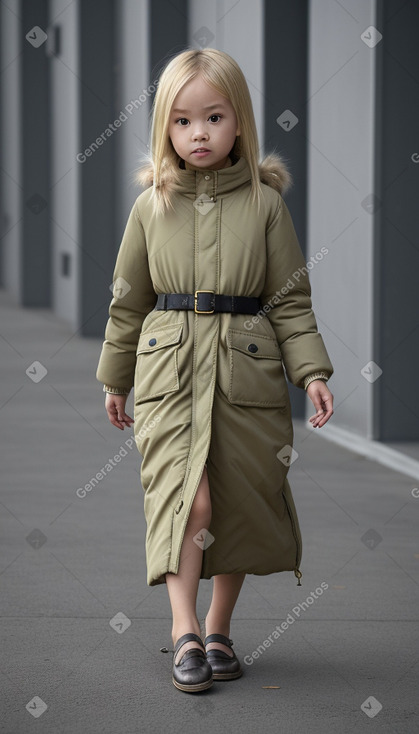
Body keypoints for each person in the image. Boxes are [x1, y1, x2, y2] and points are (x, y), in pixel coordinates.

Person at [96, 47, 334, 694]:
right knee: (186, 499)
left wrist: (310, 372)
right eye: (180, 121)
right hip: (169, 373)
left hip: (244, 377)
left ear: (239, 123)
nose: (197, 132)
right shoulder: (151, 208)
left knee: (233, 506)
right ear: (163, 130)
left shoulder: (264, 206)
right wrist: (115, 379)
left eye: (213, 117)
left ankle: (219, 629)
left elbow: (289, 300)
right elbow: (128, 301)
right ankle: (184, 631)